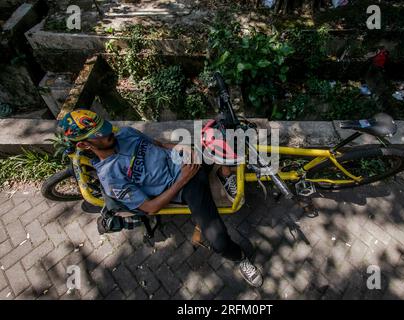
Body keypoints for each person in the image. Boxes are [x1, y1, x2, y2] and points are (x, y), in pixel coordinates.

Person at [59, 109, 263, 287]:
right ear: (85, 145)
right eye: (99, 135)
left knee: (220, 132)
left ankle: (224, 173)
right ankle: (240, 258)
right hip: (185, 186)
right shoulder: (111, 177)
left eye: (104, 127)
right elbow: (150, 208)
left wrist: (180, 147)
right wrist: (183, 179)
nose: (107, 133)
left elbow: (158, 143)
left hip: (187, 161)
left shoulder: (126, 134)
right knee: (219, 242)